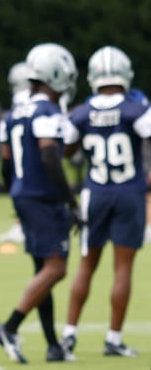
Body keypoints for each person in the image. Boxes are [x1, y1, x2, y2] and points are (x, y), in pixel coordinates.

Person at [0, 43, 79, 364]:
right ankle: (9, 327)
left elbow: (4, 163)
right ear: (55, 76)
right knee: (56, 269)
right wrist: (71, 201)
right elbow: (49, 155)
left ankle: (53, 345)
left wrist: (16, 192)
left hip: (24, 195)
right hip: (43, 197)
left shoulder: (13, 113)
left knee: (42, 270)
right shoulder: (47, 112)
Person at [61, 45, 150, 358]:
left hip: (95, 192)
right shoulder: (136, 110)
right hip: (129, 194)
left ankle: (69, 335)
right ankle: (113, 339)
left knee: (86, 265)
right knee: (122, 269)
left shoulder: (81, 113)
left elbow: (67, 151)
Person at [0, 62, 32, 244]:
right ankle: (23, 226)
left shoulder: (17, 103)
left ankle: (22, 227)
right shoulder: (41, 100)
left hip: (21, 154)